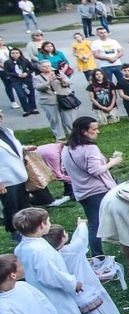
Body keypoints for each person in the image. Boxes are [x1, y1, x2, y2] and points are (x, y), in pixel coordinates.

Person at [61, 116, 120, 258]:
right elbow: (96, 171)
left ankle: (98, 254)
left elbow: (64, 168)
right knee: (97, 224)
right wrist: (113, 162)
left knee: (95, 223)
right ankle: (98, 256)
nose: (97, 131)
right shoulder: (90, 148)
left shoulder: (67, 148)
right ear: (83, 131)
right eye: (94, 129)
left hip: (81, 191)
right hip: (97, 191)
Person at [0, 109, 33, 238]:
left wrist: (23, 148)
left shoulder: (6, 132)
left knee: (24, 207)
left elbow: (11, 149)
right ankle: (17, 236)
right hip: (6, 181)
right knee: (11, 210)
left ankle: (28, 232)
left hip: (19, 175)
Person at [32, 60, 76, 140]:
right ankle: (60, 136)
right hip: (49, 101)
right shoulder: (36, 77)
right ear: (39, 68)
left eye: (48, 66)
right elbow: (37, 87)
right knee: (54, 119)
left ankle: (72, 134)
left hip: (64, 98)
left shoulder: (58, 73)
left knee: (69, 117)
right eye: (44, 66)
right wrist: (49, 82)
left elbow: (69, 82)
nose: (47, 68)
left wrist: (61, 80)